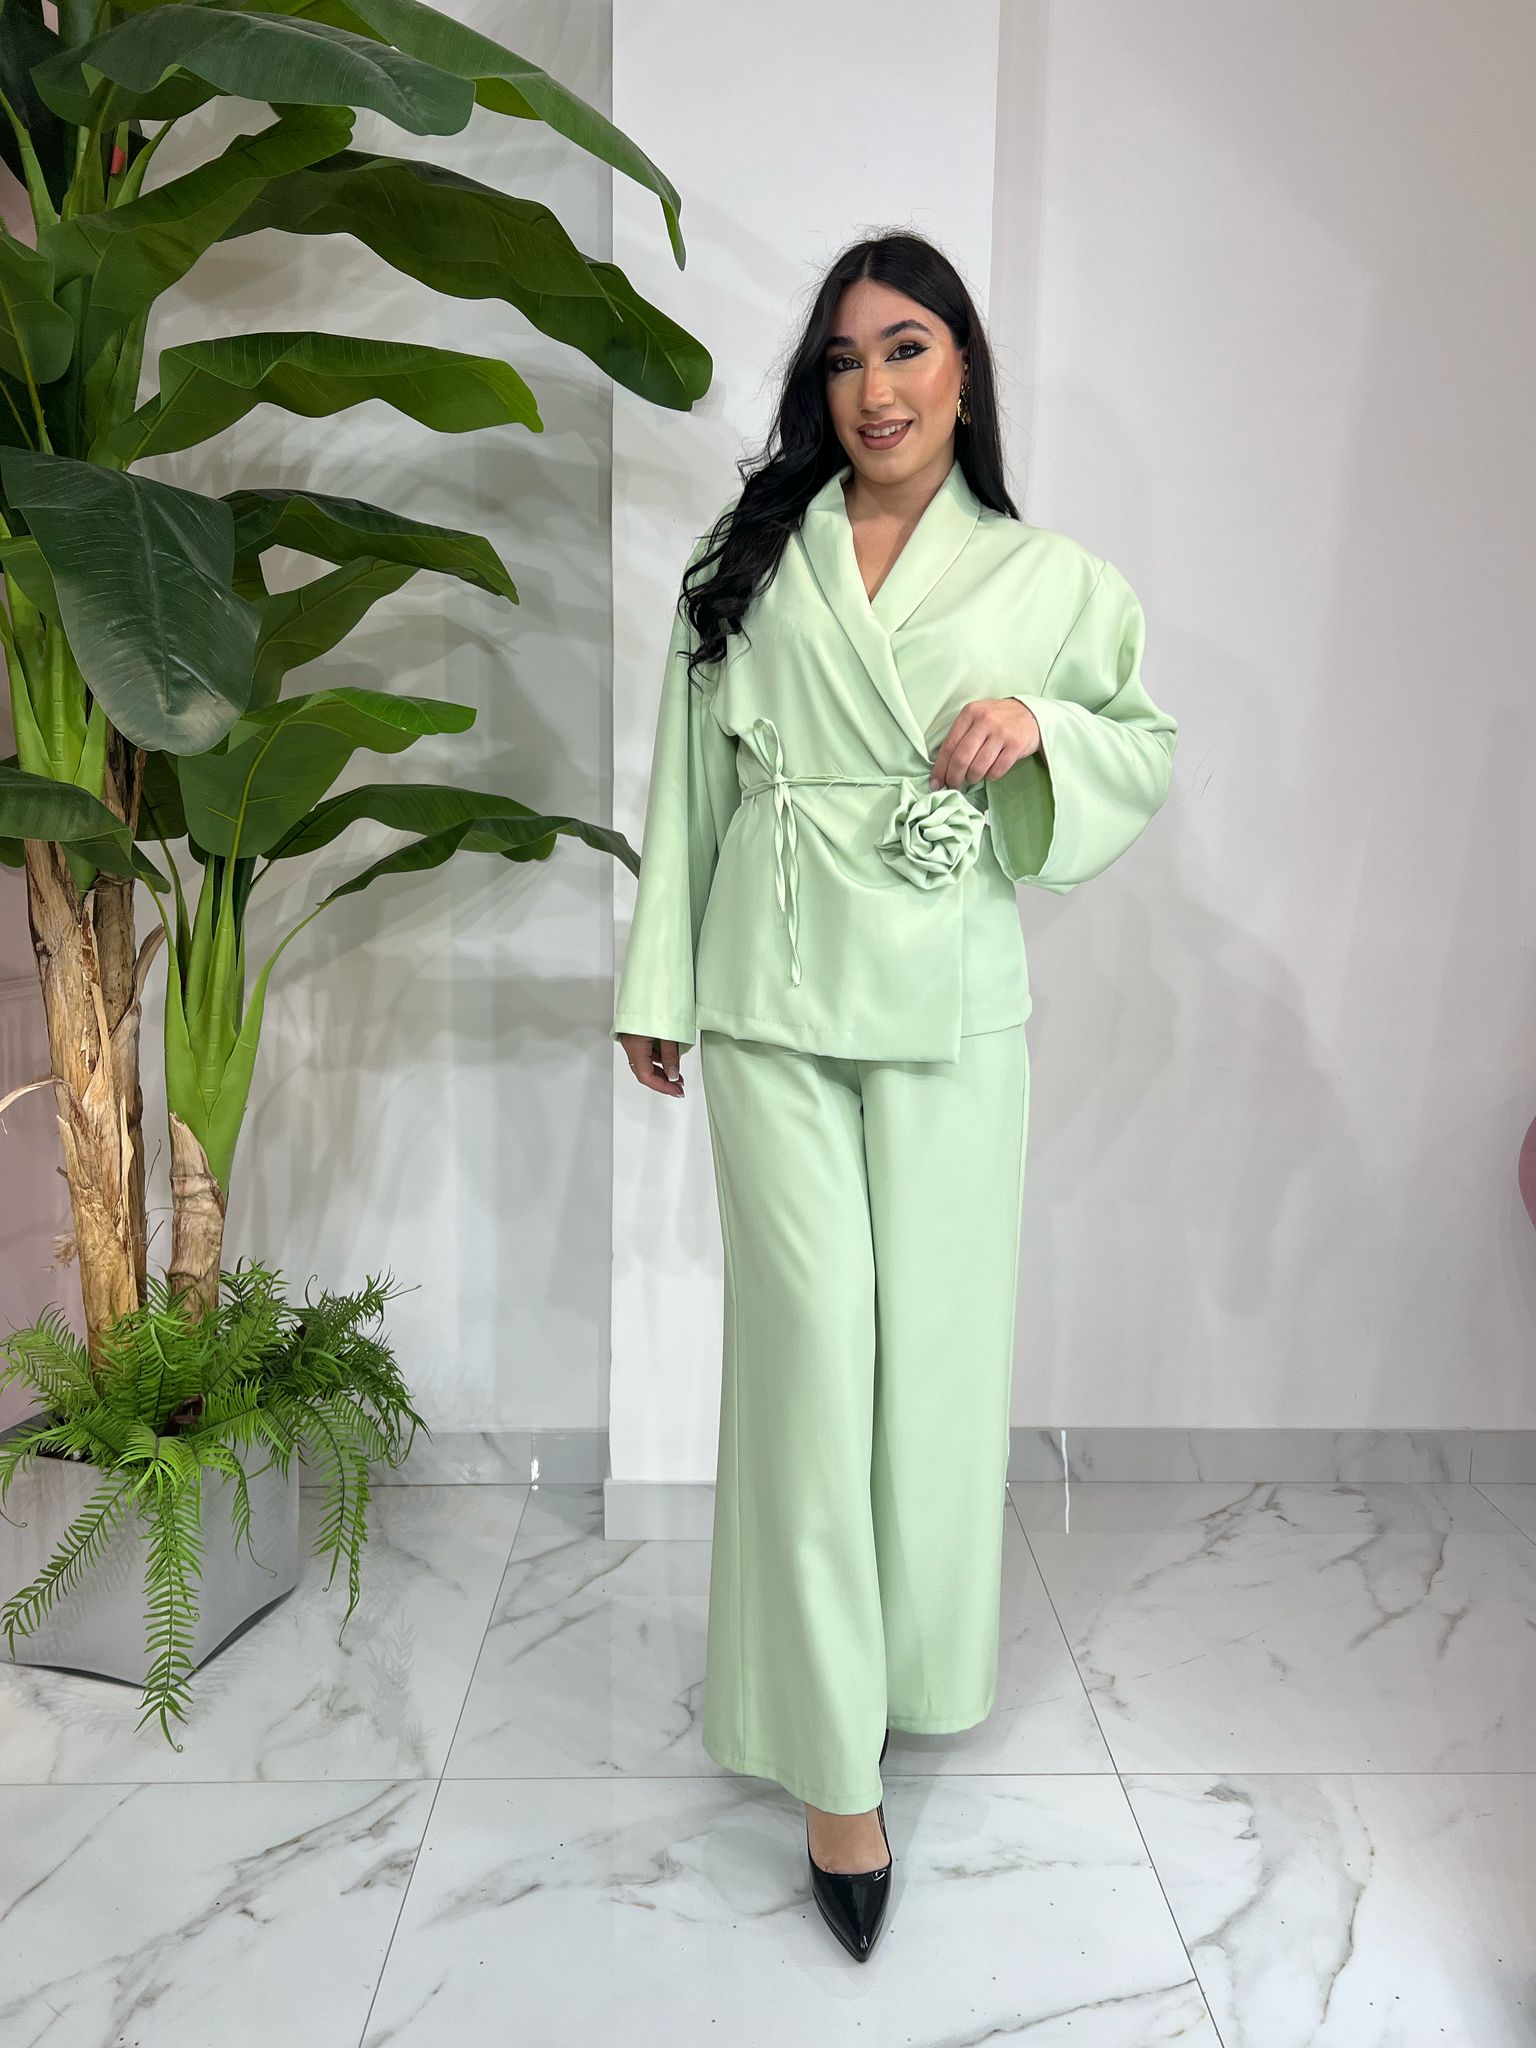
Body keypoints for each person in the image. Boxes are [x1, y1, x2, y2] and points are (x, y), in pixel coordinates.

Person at [613, 231, 1178, 1962]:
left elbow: (1142, 743)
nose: (876, 388)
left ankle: (909, 1668)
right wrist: (656, 984)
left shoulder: (1053, 580)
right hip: (771, 985)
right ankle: (827, 1766)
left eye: (908, 348)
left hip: (951, 1003)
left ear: (963, 370)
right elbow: (688, 779)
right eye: (847, 358)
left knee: (929, 1356)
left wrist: (1038, 725)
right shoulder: (745, 557)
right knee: (807, 1356)